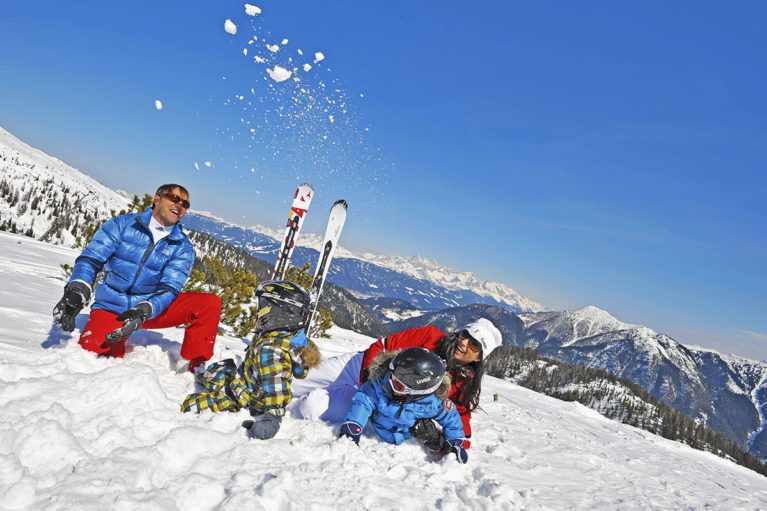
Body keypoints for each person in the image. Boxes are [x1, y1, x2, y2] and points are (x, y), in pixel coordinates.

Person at [52, 183, 221, 373]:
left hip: (152, 307)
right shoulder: (122, 225)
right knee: (94, 355)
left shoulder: (182, 246)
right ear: (157, 199)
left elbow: (170, 287)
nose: (180, 205)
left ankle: (194, 367)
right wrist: (79, 287)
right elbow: (91, 258)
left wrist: (147, 308)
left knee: (209, 304)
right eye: (174, 199)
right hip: (113, 306)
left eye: (185, 204)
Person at [294, 317, 502, 450]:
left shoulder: (461, 383)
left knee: (312, 407)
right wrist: (370, 380)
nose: (464, 343)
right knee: (295, 380)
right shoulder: (431, 336)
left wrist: (446, 443)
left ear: (479, 357)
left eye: (474, 344)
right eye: (465, 336)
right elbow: (381, 346)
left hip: (372, 402)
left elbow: (461, 420)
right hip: (359, 369)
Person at [181, 280, 321, 440]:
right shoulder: (280, 337)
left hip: (247, 398)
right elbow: (298, 369)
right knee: (219, 370)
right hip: (247, 379)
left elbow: (277, 384)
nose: (260, 312)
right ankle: (211, 380)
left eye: (264, 308)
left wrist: (271, 421)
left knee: (192, 404)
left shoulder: (272, 351)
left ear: (280, 313)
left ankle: (220, 393)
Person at [338, 347, 469, 464]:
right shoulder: (380, 387)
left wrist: (456, 440)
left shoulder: (432, 402)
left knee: (428, 432)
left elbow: (451, 418)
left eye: (398, 385)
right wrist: (354, 424)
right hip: (378, 433)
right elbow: (364, 400)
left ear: (417, 392)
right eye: (391, 376)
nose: (390, 383)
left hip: (410, 442)